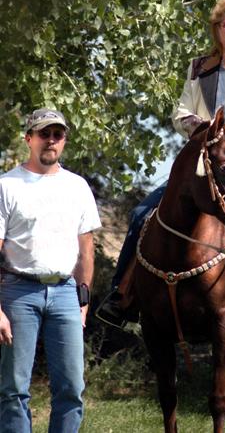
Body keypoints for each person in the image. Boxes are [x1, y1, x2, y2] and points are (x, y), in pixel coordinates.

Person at [96, 0, 225, 339]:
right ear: (217, 29)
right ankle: (121, 297)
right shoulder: (199, 68)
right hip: (202, 168)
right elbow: (181, 112)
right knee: (141, 214)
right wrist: (203, 130)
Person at [0, 108, 101, 433]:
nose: (51, 140)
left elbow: (86, 248)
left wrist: (83, 300)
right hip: (17, 293)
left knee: (72, 387)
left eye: (57, 134)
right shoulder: (6, 185)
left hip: (65, 296)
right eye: (44, 133)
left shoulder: (77, 187)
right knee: (14, 389)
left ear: (64, 141)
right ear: (29, 138)